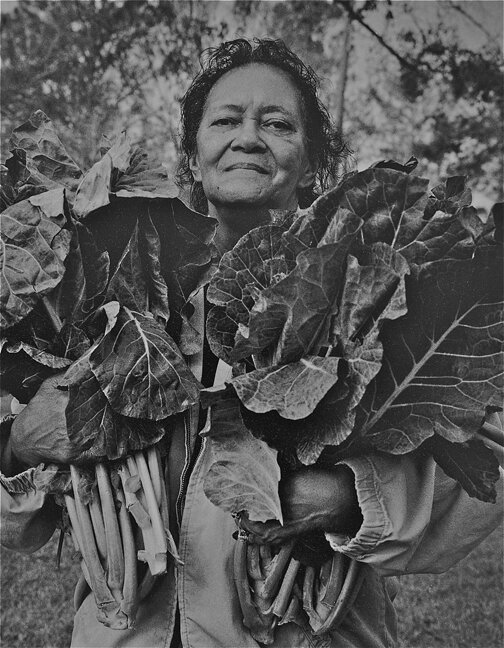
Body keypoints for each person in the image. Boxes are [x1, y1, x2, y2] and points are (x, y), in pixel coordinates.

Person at [1, 38, 502, 648]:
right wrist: (21, 446)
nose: (248, 137)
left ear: (313, 157)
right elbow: (20, 527)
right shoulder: (136, 296)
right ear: (193, 153)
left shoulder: (368, 282)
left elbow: (484, 459)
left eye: (276, 123)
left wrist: (350, 497)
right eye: (226, 120)